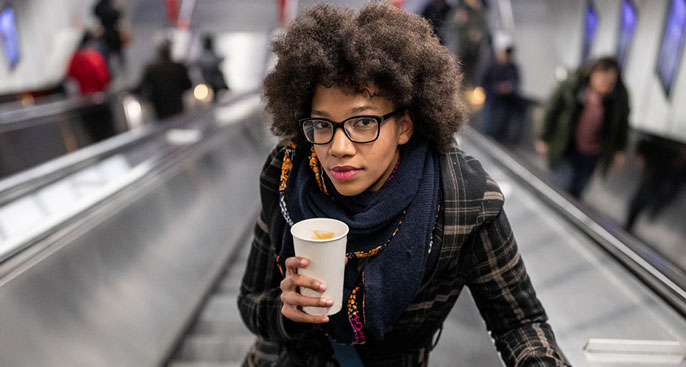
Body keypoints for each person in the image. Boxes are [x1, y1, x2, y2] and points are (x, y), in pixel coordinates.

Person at [238, 3, 569, 366]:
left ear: (405, 126)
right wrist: (285, 313)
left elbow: (519, 323)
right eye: (322, 125)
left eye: (363, 123)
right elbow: (251, 300)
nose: (338, 148)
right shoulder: (286, 175)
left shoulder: (462, 199)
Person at [536, 57, 630, 199]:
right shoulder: (572, 87)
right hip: (567, 148)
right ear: (592, 74)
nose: (606, 84)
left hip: (592, 155)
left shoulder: (617, 99)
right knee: (561, 189)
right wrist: (544, 138)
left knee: (577, 192)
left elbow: (622, 125)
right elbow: (552, 110)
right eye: (602, 78)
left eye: (611, 82)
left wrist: (619, 149)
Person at [67, 31, 116, 142]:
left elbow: (70, 80)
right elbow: (104, 78)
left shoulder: (74, 59)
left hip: (83, 102)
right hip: (100, 100)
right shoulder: (95, 57)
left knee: (93, 132)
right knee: (107, 130)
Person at [480, 32, 525, 145]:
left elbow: (516, 84)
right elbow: (484, 82)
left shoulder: (513, 68)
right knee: (488, 127)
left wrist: (508, 88)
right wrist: (495, 88)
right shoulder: (491, 66)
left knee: (499, 129)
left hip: (504, 104)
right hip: (491, 101)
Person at [134, 41, 192, 120]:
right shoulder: (178, 66)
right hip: (176, 103)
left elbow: (142, 87)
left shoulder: (151, 68)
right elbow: (188, 85)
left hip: (159, 105)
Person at [445, 0, 488, 88]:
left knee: (474, 77)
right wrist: (458, 21)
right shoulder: (458, 11)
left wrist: (478, 34)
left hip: (475, 53)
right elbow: (449, 28)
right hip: (460, 50)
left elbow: (484, 28)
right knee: (458, 74)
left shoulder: (480, 12)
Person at [194, 33, 229, 102]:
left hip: (213, 80)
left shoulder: (211, 55)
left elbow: (220, 59)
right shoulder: (202, 56)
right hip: (204, 79)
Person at [93, 0, 126, 69]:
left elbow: (95, 12)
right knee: (118, 51)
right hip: (113, 32)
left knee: (106, 51)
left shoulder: (100, 5)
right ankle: (122, 66)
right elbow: (117, 15)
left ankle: (107, 67)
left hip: (104, 31)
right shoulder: (110, 6)